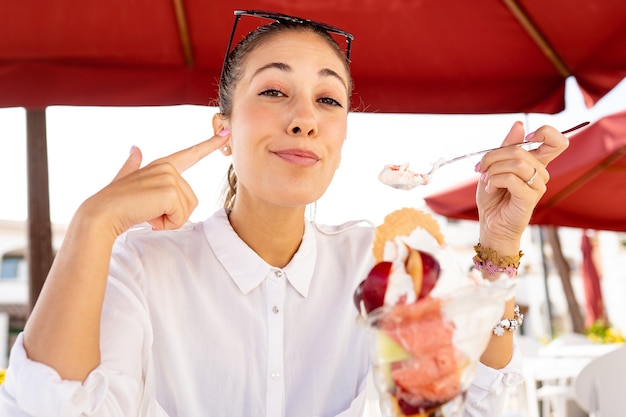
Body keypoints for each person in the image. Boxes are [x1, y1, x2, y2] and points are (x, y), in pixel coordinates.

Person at [0, 10, 569, 417]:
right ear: (223, 127)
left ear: (341, 137)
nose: (304, 119)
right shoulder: (142, 266)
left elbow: (476, 400)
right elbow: (48, 408)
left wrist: (499, 243)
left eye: (328, 100)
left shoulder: (381, 264)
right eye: (274, 91)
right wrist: (91, 225)